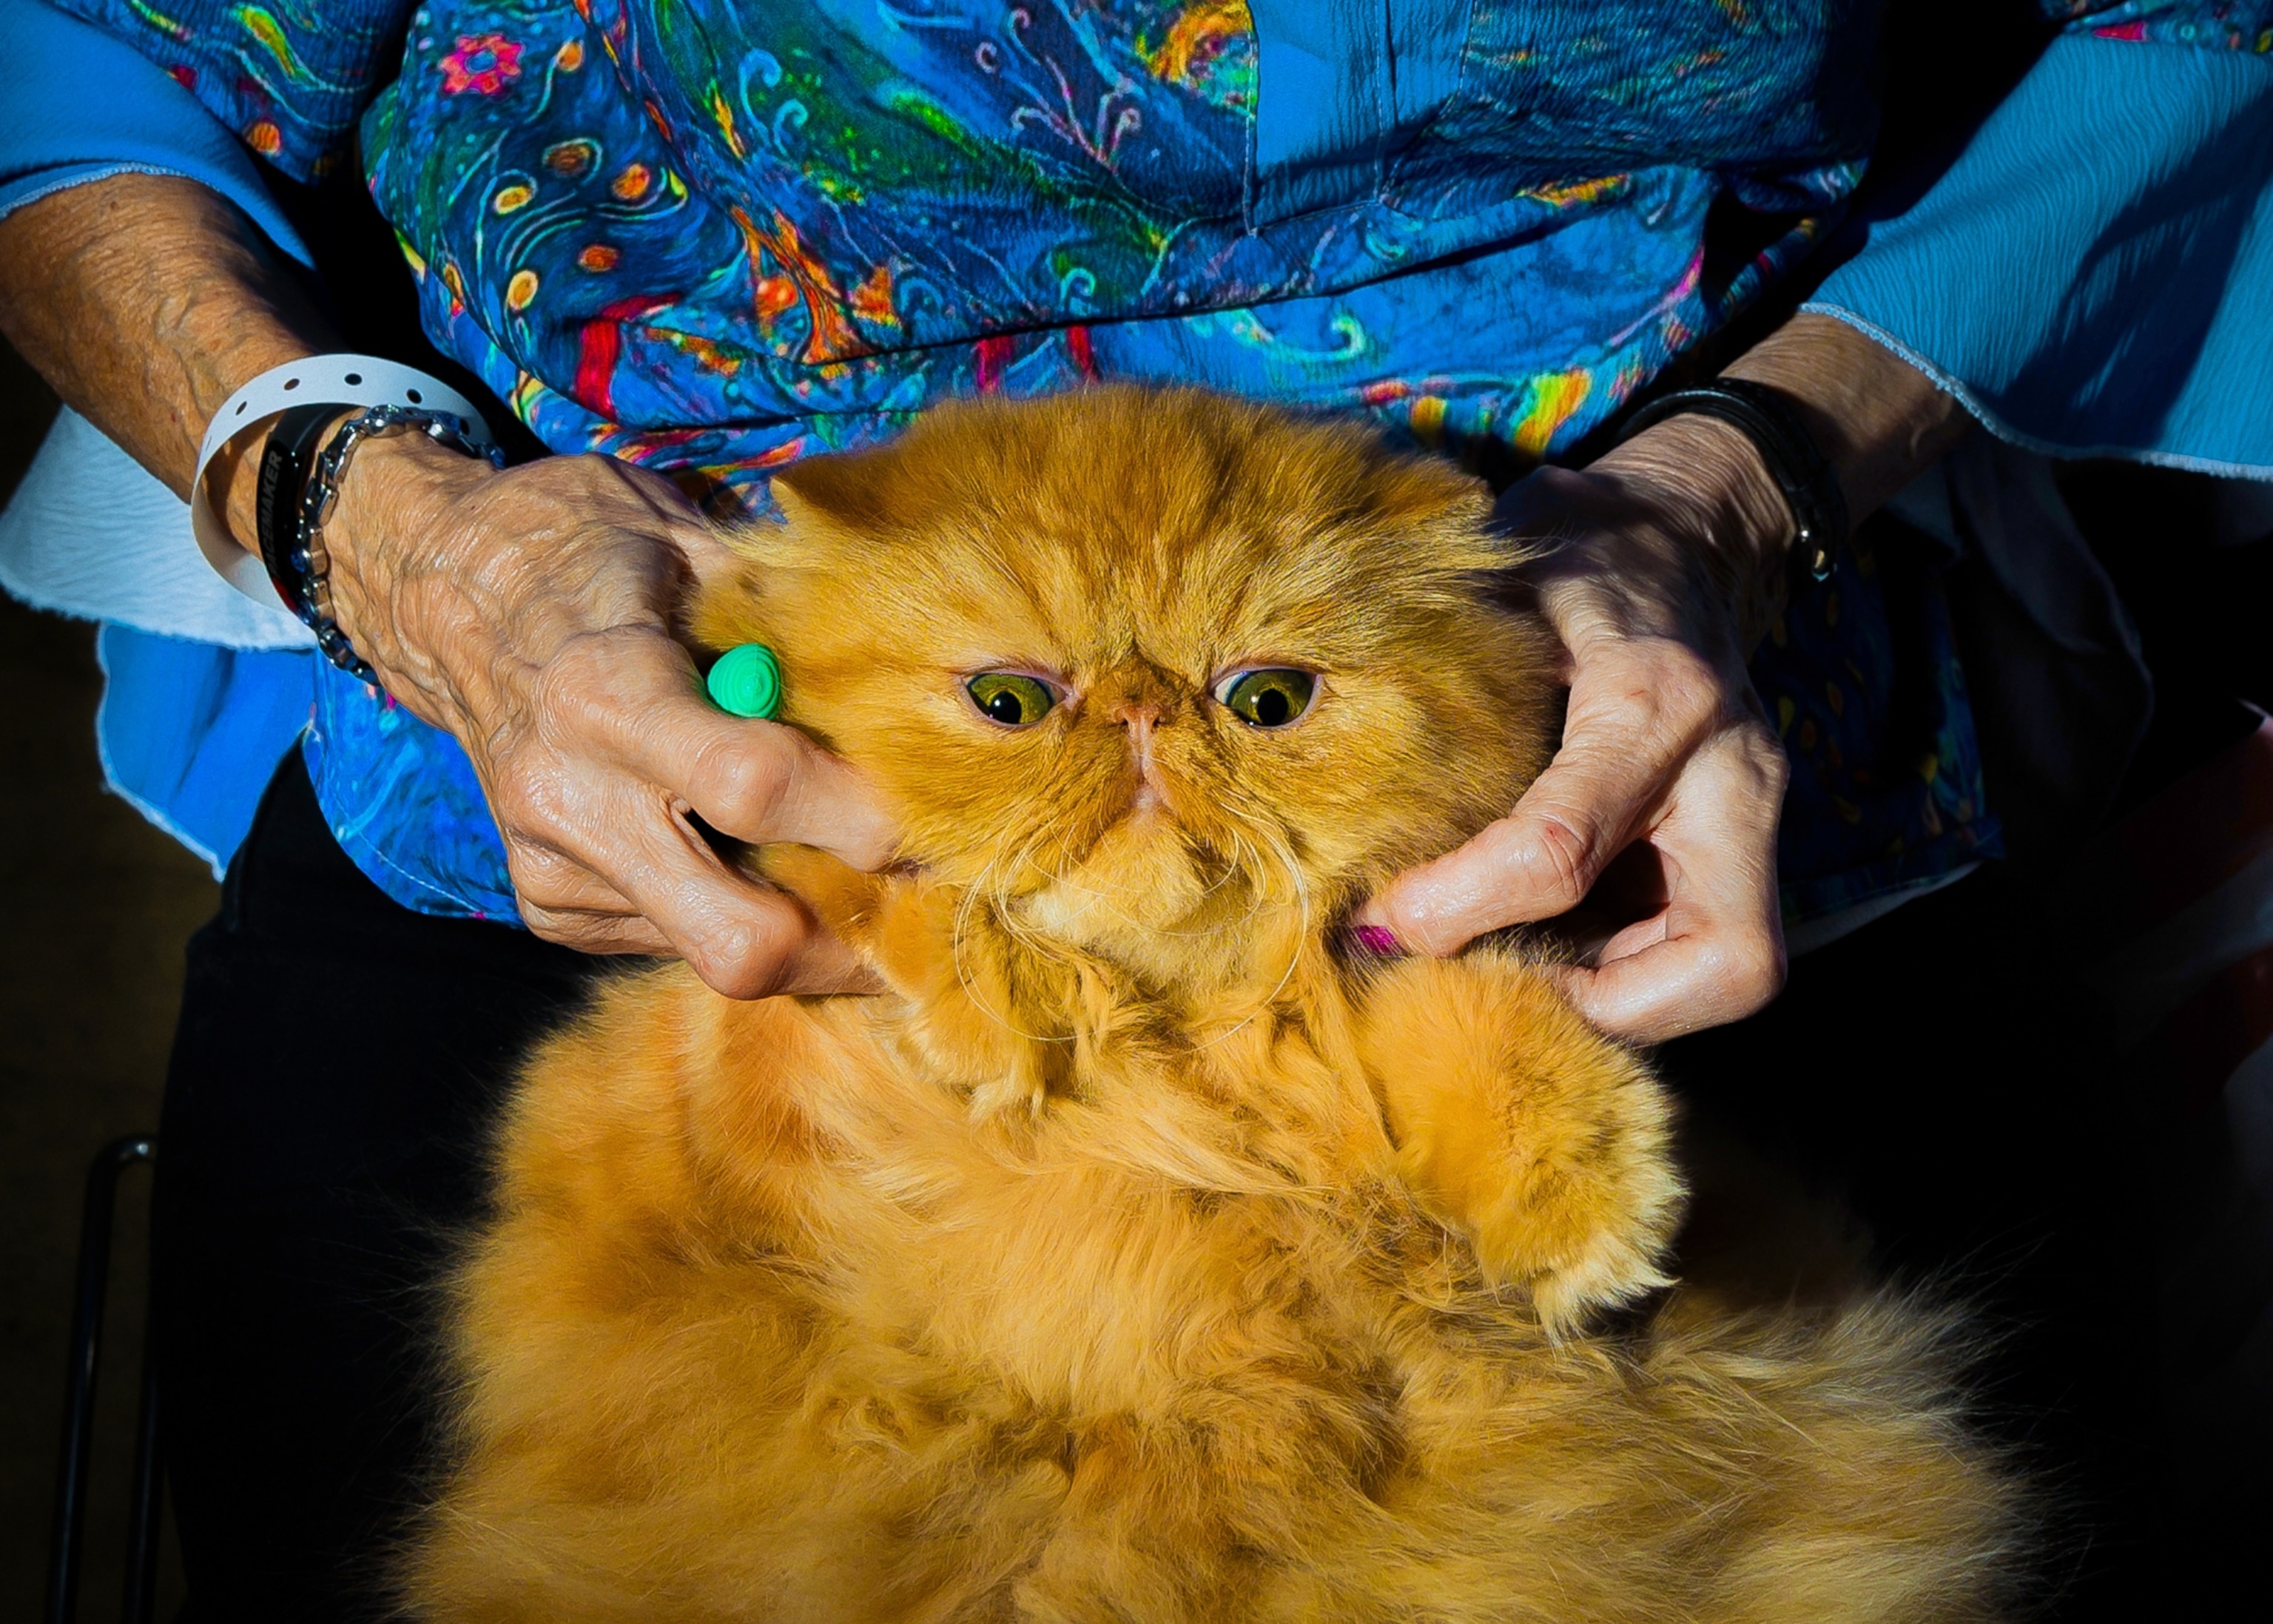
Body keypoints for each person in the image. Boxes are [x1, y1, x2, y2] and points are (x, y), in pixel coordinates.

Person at [1, 1, 2267, 1617]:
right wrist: (407, 547)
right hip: (621, 801)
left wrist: (1749, 478)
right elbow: (89, 61)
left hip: (1664, 794)